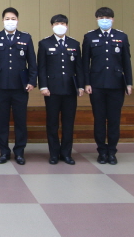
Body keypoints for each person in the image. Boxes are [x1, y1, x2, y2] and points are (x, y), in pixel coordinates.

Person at [82, 7, 133, 165]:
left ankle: (112, 151)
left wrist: (129, 83)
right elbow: (85, 62)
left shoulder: (121, 36)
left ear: (113, 19)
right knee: (99, 119)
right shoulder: (90, 37)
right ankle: (101, 151)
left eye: (108, 17)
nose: (105, 20)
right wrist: (86, 82)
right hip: (96, 84)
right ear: (97, 19)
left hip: (116, 84)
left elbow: (126, 61)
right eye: (101, 17)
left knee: (114, 119)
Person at [0, 7, 37, 165]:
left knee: (20, 121)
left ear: (18, 20)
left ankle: (19, 152)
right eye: (7, 19)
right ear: (2, 20)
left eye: (13, 19)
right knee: (2, 121)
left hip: (20, 87)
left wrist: (32, 81)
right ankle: (4, 152)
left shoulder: (26, 37)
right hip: (0, 86)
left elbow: (32, 62)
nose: (10, 21)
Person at [37, 14, 83, 165]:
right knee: (52, 123)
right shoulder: (44, 43)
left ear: (67, 26)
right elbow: (41, 67)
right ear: (52, 26)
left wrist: (80, 86)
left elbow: (79, 67)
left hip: (70, 90)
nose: (60, 26)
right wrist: (43, 86)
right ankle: (54, 154)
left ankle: (66, 153)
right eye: (57, 23)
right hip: (52, 90)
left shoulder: (74, 43)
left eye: (63, 23)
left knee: (68, 123)